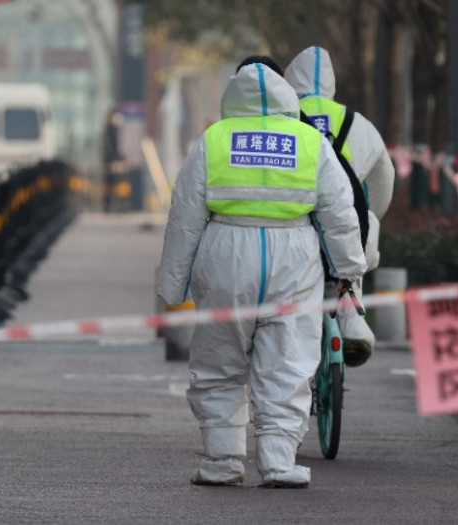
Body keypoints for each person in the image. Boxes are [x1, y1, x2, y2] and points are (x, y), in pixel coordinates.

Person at [156, 63, 366, 488]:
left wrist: (171, 285)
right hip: (295, 257)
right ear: (288, 98)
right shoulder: (311, 142)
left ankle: (222, 460)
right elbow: (340, 214)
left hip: (226, 253)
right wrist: (348, 271)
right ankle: (278, 461)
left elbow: (185, 217)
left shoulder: (213, 140)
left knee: (220, 360)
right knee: (287, 362)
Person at [284, 46, 395, 367]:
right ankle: (352, 317)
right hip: (350, 233)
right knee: (353, 241)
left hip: (295, 232)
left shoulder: (281, 121)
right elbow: (382, 183)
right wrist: (373, 216)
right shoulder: (359, 123)